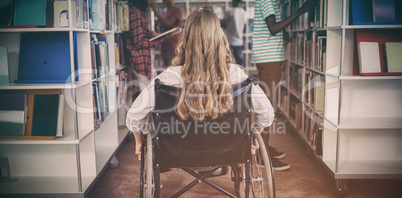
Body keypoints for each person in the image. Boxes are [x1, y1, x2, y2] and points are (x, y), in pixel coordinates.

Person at [126, 9, 275, 165]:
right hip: (228, 150)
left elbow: (134, 116)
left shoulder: (168, 77)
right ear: (219, 38)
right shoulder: (237, 75)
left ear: (186, 40)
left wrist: (138, 141)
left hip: (178, 152)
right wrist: (254, 135)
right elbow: (266, 113)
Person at [252, 0, 318, 171]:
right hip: (269, 59)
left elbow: (272, 29)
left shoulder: (271, 2)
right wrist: (302, 10)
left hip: (269, 58)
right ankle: (261, 155)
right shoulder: (267, 1)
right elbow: (273, 28)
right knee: (267, 105)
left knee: (268, 103)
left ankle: (263, 148)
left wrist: (284, 34)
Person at [150, 0, 183, 67]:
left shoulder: (177, 10)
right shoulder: (167, 11)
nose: (163, 1)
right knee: (167, 70)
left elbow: (168, 23)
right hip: (165, 46)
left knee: (173, 70)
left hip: (173, 47)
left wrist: (155, 11)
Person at [221, 0, 247, 66]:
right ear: (239, 3)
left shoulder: (229, 12)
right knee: (240, 64)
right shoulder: (243, 12)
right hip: (239, 42)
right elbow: (245, 26)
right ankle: (241, 76)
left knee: (229, 63)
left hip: (230, 41)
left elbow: (222, 24)